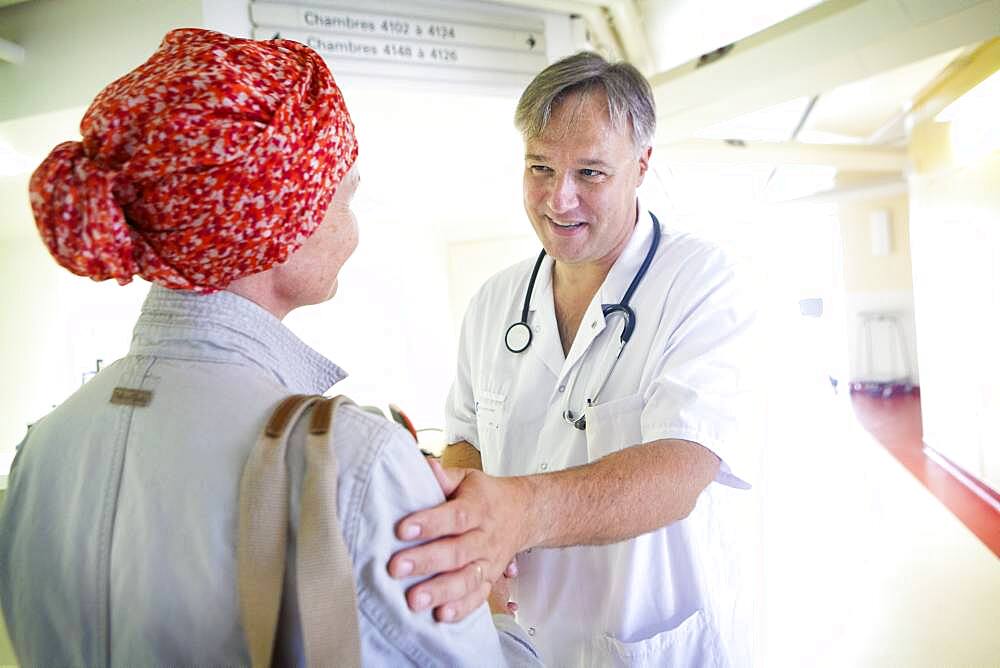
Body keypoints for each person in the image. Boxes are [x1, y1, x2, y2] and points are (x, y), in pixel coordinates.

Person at [0, 29, 539, 667]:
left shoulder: (42, 450)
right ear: (280, 227)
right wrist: (501, 617)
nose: (353, 227)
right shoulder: (348, 460)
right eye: (346, 197)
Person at [387, 52, 757, 665]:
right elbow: (467, 438)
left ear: (641, 166)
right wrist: (470, 514)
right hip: (514, 635)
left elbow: (680, 469)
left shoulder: (702, 282)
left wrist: (519, 513)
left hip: (647, 642)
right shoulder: (493, 301)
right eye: (540, 167)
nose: (559, 199)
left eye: (590, 173)